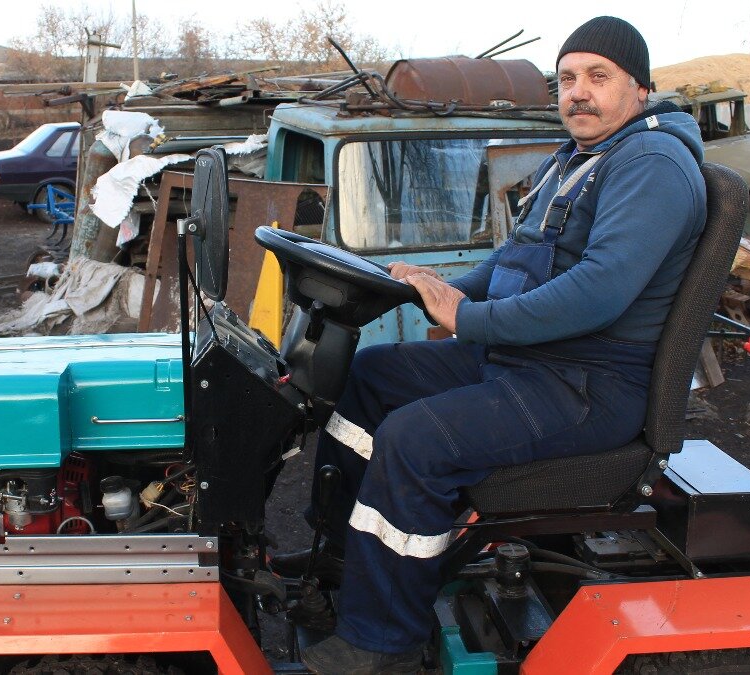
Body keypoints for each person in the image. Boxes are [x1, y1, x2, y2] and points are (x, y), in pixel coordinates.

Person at [284, 15, 710, 675]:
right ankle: (342, 555)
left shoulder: (651, 165)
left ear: (641, 89)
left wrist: (469, 320)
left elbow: (600, 291)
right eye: (568, 78)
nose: (579, 92)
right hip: (528, 360)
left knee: (416, 438)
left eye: (599, 77)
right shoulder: (579, 158)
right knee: (372, 376)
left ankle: (382, 642)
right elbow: (514, 261)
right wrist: (437, 290)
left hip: (585, 384)